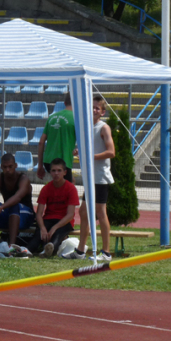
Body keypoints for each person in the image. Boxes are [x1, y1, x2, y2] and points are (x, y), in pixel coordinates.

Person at [62, 95, 116, 261]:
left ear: (102, 112)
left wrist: (91, 156)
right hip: (90, 177)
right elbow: (88, 148)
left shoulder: (103, 128)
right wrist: (79, 151)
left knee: (100, 212)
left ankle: (106, 252)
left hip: (100, 177)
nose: (94, 110)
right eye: (91, 107)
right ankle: (80, 251)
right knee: (84, 211)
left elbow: (111, 152)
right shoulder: (86, 128)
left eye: (97, 108)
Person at [28, 158, 80, 258]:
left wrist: (55, 227)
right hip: (48, 219)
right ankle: (26, 251)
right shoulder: (46, 188)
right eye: (53, 170)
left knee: (56, 235)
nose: (56, 173)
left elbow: (70, 215)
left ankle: (48, 251)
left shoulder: (71, 188)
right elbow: (39, 214)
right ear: (50, 172)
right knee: (38, 235)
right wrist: (43, 228)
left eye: (59, 170)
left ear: (65, 172)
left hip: (64, 221)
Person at [37, 92, 76, 182]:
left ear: (65, 103)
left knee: (69, 182)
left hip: (48, 161)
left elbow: (41, 142)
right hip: (63, 162)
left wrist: (40, 165)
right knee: (66, 189)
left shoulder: (52, 117)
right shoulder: (76, 118)